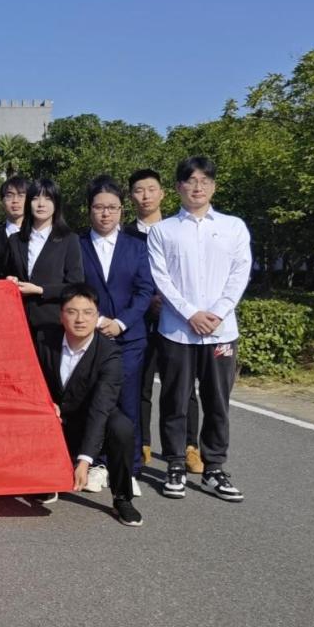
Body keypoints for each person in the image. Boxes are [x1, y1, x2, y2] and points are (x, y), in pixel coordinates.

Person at [148, 156, 251, 501]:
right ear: (178, 187)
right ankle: (175, 464)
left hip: (222, 332)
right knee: (175, 399)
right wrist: (191, 313)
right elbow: (161, 278)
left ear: (214, 187)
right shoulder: (163, 231)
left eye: (205, 181)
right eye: (191, 181)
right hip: (177, 330)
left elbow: (240, 273)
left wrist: (217, 313)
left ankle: (214, 468)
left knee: (217, 402)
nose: (198, 187)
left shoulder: (234, 227)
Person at [35, 284, 142, 527]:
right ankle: (46, 480)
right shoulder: (43, 339)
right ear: (61, 315)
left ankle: (122, 498)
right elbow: (29, 379)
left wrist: (85, 461)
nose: (80, 319)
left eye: (88, 312)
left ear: (97, 316)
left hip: (89, 418)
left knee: (121, 427)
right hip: (52, 416)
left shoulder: (110, 354)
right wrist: (45, 403)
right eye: (72, 312)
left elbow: (101, 407)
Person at [79, 175, 154, 494]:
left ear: (122, 209)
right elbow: (74, 287)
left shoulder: (137, 247)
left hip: (129, 338)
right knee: (96, 401)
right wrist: (96, 320)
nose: (105, 213)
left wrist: (121, 322)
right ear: (90, 209)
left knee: (128, 402)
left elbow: (144, 291)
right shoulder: (77, 244)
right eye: (99, 207)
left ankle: (130, 467)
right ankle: (98, 463)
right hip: (91, 337)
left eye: (112, 207)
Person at [125, 168, 202, 471]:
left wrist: (171, 302)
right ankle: (142, 443)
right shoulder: (124, 234)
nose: (145, 196)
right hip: (139, 319)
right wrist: (145, 302)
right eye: (138, 190)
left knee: (182, 385)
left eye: (151, 189)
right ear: (131, 196)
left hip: (176, 317)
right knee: (140, 384)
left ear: (163, 193)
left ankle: (190, 446)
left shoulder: (177, 230)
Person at [5, 178, 84, 345]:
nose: (41, 204)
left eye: (48, 198)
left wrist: (40, 290)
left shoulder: (69, 240)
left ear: (56, 204)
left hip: (53, 324)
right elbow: (6, 273)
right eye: (35, 198)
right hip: (19, 322)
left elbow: (75, 285)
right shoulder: (15, 240)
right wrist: (10, 280)